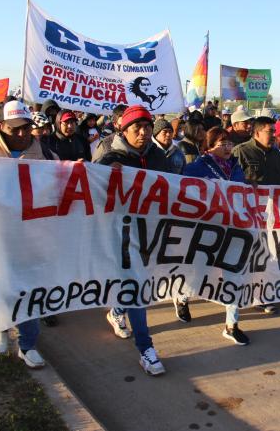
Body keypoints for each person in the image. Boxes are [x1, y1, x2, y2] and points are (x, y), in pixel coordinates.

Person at [0, 100, 58, 368]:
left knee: (30, 293)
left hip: (32, 241)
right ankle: (1, 325)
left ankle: (28, 345)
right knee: (0, 288)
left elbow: (64, 194)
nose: (21, 134)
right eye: (14, 129)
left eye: (26, 128)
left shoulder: (47, 156)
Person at [95, 105, 169, 376]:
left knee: (136, 282)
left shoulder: (160, 158)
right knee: (137, 286)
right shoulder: (109, 156)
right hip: (119, 234)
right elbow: (92, 191)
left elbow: (176, 188)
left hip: (150, 231)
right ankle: (146, 350)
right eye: (136, 127)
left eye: (147, 127)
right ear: (123, 130)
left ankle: (116, 309)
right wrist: (102, 176)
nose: (143, 132)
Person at [173, 128, 250, 345]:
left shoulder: (236, 168)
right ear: (208, 146)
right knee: (196, 271)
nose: (226, 147)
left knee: (234, 273)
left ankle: (231, 324)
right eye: (221, 143)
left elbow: (242, 192)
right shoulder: (196, 167)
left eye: (228, 143)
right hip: (204, 230)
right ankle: (181, 297)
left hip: (233, 229)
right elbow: (182, 193)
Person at [232, 116, 280, 313]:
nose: (274, 135)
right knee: (245, 256)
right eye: (269, 131)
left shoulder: (278, 155)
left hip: (271, 217)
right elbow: (231, 181)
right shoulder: (241, 152)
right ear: (256, 133)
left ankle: (261, 294)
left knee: (266, 256)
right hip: (246, 215)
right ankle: (238, 294)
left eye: (274, 131)